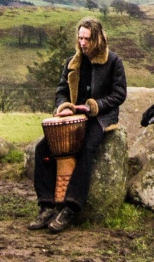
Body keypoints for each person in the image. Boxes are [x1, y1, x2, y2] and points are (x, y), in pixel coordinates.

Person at [31, 17, 127, 234]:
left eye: (87, 39)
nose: (83, 43)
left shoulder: (113, 62)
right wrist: (63, 106)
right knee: (42, 149)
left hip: (101, 117)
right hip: (74, 117)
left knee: (86, 149)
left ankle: (70, 207)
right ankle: (46, 205)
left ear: (98, 39)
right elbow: (61, 90)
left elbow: (119, 94)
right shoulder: (72, 62)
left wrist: (94, 106)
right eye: (80, 38)